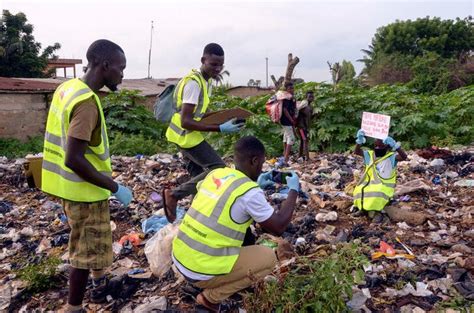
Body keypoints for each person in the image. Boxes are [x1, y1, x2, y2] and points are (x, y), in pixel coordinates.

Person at [41, 39, 133, 312]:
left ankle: (99, 280)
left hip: (68, 189)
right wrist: (114, 186)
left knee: (92, 242)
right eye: (121, 68)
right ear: (105, 65)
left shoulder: (67, 89)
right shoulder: (87, 103)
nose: (122, 75)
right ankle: (74, 306)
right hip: (84, 191)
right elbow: (74, 158)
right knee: (83, 252)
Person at [171, 136, 300, 312]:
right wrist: (293, 191)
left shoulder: (216, 174)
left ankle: (213, 278)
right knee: (269, 257)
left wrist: (256, 183)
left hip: (181, 258)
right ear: (254, 161)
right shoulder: (249, 192)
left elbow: (225, 198)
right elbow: (278, 227)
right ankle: (211, 299)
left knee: (242, 226)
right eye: (261, 164)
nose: (262, 168)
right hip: (201, 269)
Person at [163, 43, 244, 222]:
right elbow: (186, 120)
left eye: (220, 65)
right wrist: (220, 128)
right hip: (186, 136)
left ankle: (195, 214)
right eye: (213, 64)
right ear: (203, 60)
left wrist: (223, 117)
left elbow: (197, 113)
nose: (217, 68)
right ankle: (174, 195)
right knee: (218, 167)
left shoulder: (205, 82)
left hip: (184, 135)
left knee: (197, 177)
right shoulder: (194, 83)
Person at [353, 129, 407, 214]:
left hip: (384, 187)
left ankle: (375, 211)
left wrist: (397, 147)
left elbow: (404, 157)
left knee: (376, 194)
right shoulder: (370, 155)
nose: (378, 148)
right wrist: (359, 141)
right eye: (376, 146)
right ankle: (363, 208)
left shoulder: (391, 157)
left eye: (381, 146)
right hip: (368, 185)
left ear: (387, 147)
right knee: (358, 190)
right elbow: (356, 151)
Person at [279, 82, 297, 166]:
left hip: (284, 120)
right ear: (286, 89)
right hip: (286, 120)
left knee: (286, 137)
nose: (292, 90)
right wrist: (291, 119)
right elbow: (285, 110)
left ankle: (284, 155)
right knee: (291, 138)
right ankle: (285, 159)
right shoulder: (287, 98)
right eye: (290, 88)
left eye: (292, 88)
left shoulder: (289, 97)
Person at [295, 90, 314, 161]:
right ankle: (307, 158)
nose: (311, 98)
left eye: (312, 96)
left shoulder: (310, 107)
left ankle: (299, 156)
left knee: (303, 141)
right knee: (305, 140)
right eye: (310, 97)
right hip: (301, 127)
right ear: (306, 97)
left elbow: (309, 118)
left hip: (305, 127)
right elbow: (298, 113)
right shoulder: (304, 106)